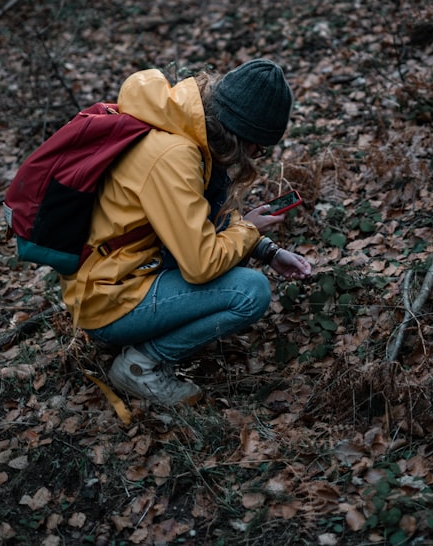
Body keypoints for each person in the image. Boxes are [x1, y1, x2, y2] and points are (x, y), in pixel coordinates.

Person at [60, 60, 312, 406]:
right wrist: (249, 231)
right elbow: (200, 264)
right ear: (242, 134)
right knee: (250, 291)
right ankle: (140, 366)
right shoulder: (174, 156)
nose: (256, 155)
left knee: (241, 275)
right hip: (110, 299)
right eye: (259, 147)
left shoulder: (182, 125)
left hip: (123, 275)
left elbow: (198, 214)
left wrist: (266, 249)